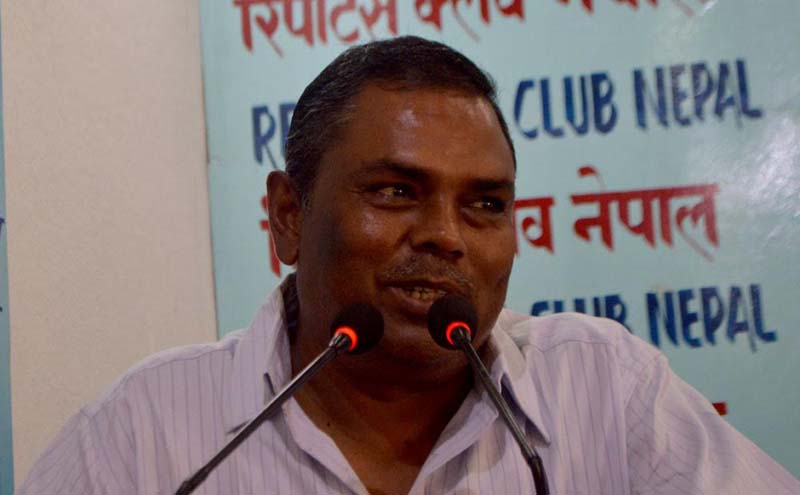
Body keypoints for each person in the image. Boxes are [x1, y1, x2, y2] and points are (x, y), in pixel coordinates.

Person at [18, 36, 800, 495]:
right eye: (396, 191)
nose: (446, 237)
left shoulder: (602, 389)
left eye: (485, 204)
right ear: (288, 215)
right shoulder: (147, 433)